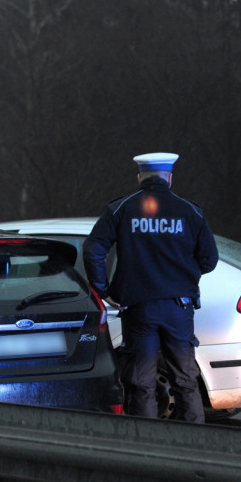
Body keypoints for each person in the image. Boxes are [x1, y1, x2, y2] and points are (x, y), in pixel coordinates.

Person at [83, 152, 219, 423]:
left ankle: (145, 447)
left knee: (141, 381)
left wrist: (103, 289)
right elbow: (209, 259)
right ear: (169, 178)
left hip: (139, 308)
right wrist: (184, 276)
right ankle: (195, 446)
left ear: (139, 177)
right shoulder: (189, 211)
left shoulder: (122, 209)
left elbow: (93, 248)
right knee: (185, 379)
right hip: (179, 309)